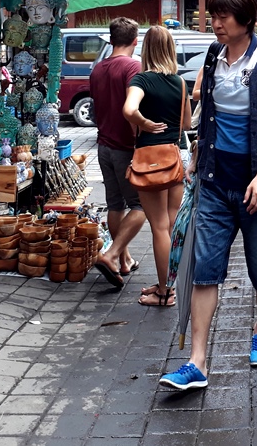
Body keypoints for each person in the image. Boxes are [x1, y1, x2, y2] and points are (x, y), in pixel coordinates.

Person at [159, 0, 257, 392]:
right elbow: (211, 112)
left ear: (246, 19)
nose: (215, 23)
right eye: (212, 15)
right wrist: (199, 157)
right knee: (206, 269)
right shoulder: (215, 55)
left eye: (223, 17)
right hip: (216, 182)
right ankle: (197, 361)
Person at [119, 26, 192, 303]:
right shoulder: (180, 82)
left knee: (159, 226)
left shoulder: (142, 80)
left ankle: (165, 292)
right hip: (176, 156)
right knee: (172, 225)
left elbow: (128, 109)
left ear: (146, 48)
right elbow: (186, 123)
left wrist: (144, 123)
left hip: (151, 158)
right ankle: (171, 284)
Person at [90, 17, 144, 282]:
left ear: (111, 40)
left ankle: (123, 261)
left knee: (115, 204)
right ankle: (112, 254)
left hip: (103, 145)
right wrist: (139, 148)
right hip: (125, 146)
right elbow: (133, 110)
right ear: (135, 41)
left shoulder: (97, 69)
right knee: (139, 206)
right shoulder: (134, 67)